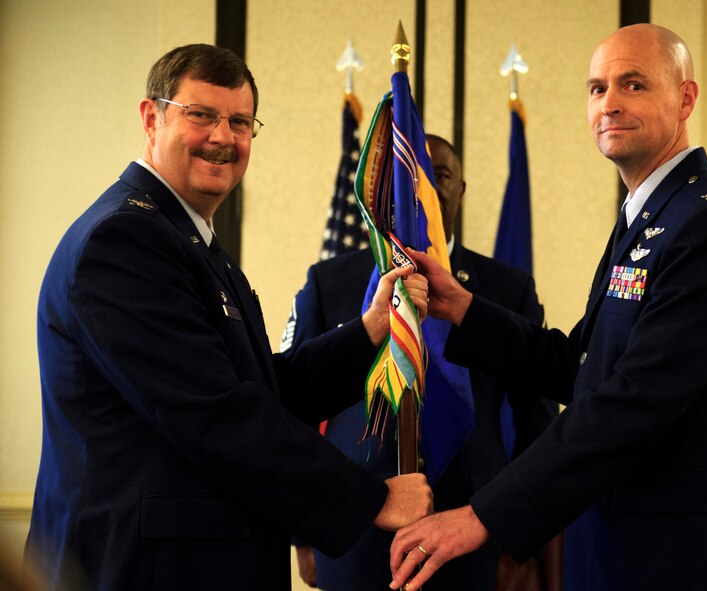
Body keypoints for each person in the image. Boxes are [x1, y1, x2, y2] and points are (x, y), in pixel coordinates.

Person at [26, 44, 433, 591]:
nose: (223, 138)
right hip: (139, 569)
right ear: (152, 118)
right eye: (202, 115)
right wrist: (371, 497)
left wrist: (369, 331)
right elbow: (214, 412)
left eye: (240, 122)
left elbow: (260, 388)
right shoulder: (124, 240)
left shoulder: (186, 238)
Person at [390, 23, 707, 591]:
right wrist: (465, 308)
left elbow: (632, 402)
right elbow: (584, 366)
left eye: (634, 85)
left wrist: (483, 515)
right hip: (610, 540)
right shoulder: (648, 214)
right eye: (597, 88)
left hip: (677, 557)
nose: (610, 103)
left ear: (686, 98)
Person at [281, 135, 559, 590]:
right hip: (354, 529)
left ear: (460, 191)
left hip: (473, 526)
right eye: (408, 175)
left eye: (439, 176)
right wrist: (303, 531)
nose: (421, 188)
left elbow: (538, 422)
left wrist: (516, 534)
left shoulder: (506, 288)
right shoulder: (331, 281)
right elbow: (294, 409)